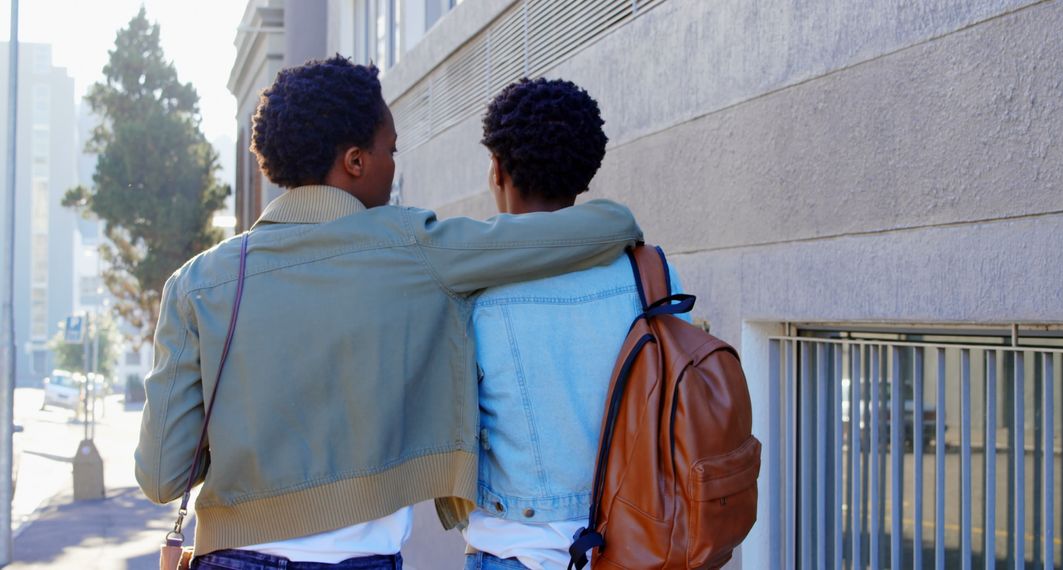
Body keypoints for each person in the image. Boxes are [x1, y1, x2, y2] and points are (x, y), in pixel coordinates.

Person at [134, 57, 644, 570]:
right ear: (356, 161)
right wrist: (620, 217)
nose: (394, 165)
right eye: (391, 150)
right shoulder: (410, 247)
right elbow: (585, 230)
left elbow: (160, 477)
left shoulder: (196, 283)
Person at [461, 78, 689, 570]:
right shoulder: (649, 272)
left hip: (516, 551)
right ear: (584, 175)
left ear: (497, 168)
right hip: (638, 545)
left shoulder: (474, 291)